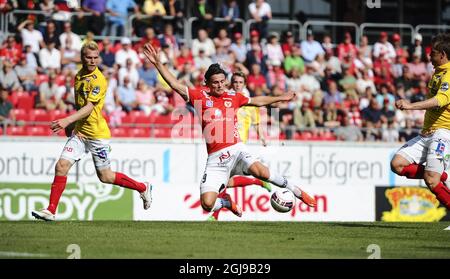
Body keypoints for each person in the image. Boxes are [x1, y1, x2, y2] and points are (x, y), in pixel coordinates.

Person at [143, 43, 317, 220]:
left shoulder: (233, 96)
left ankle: (296, 190)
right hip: (215, 159)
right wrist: (158, 64)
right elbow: (174, 83)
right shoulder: (199, 96)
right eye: (215, 82)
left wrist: (280, 97)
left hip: (237, 149)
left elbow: (257, 101)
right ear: (207, 84)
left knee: (262, 172)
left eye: (222, 81)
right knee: (207, 204)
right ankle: (226, 203)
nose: (219, 85)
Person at [31, 41, 152, 221]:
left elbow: (89, 108)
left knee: (105, 176)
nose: (93, 61)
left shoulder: (99, 80)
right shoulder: (79, 76)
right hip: (80, 133)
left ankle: (142, 187)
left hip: (97, 135)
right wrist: (73, 125)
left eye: (96, 57)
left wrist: (67, 120)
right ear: (82, 58)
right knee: (61, 166)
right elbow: (80, 105)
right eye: (89, 57)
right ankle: (51, 210)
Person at [390, 33, 450, 210]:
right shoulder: (437, 73)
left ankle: (438, 176)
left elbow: (440, 100)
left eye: (432, 53)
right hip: (428, 132)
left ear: (442, 55)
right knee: (397, 164)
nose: (429, 56)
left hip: (443, 133)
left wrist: (410, 106)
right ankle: (441, 175)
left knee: (431, 180)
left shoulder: (448, 75)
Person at [207, 71, 269, 221]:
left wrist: (262, 136)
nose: (237, 85)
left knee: (222, 182)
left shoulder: (248, 104)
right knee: (224, 182)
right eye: (235, 82)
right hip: (223, 144)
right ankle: (257, 181)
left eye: (240, 82)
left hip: (239, 146)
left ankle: (216, 214)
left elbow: (257, 123)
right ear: (231, 83)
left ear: (245, 84)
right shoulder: (226, 99)